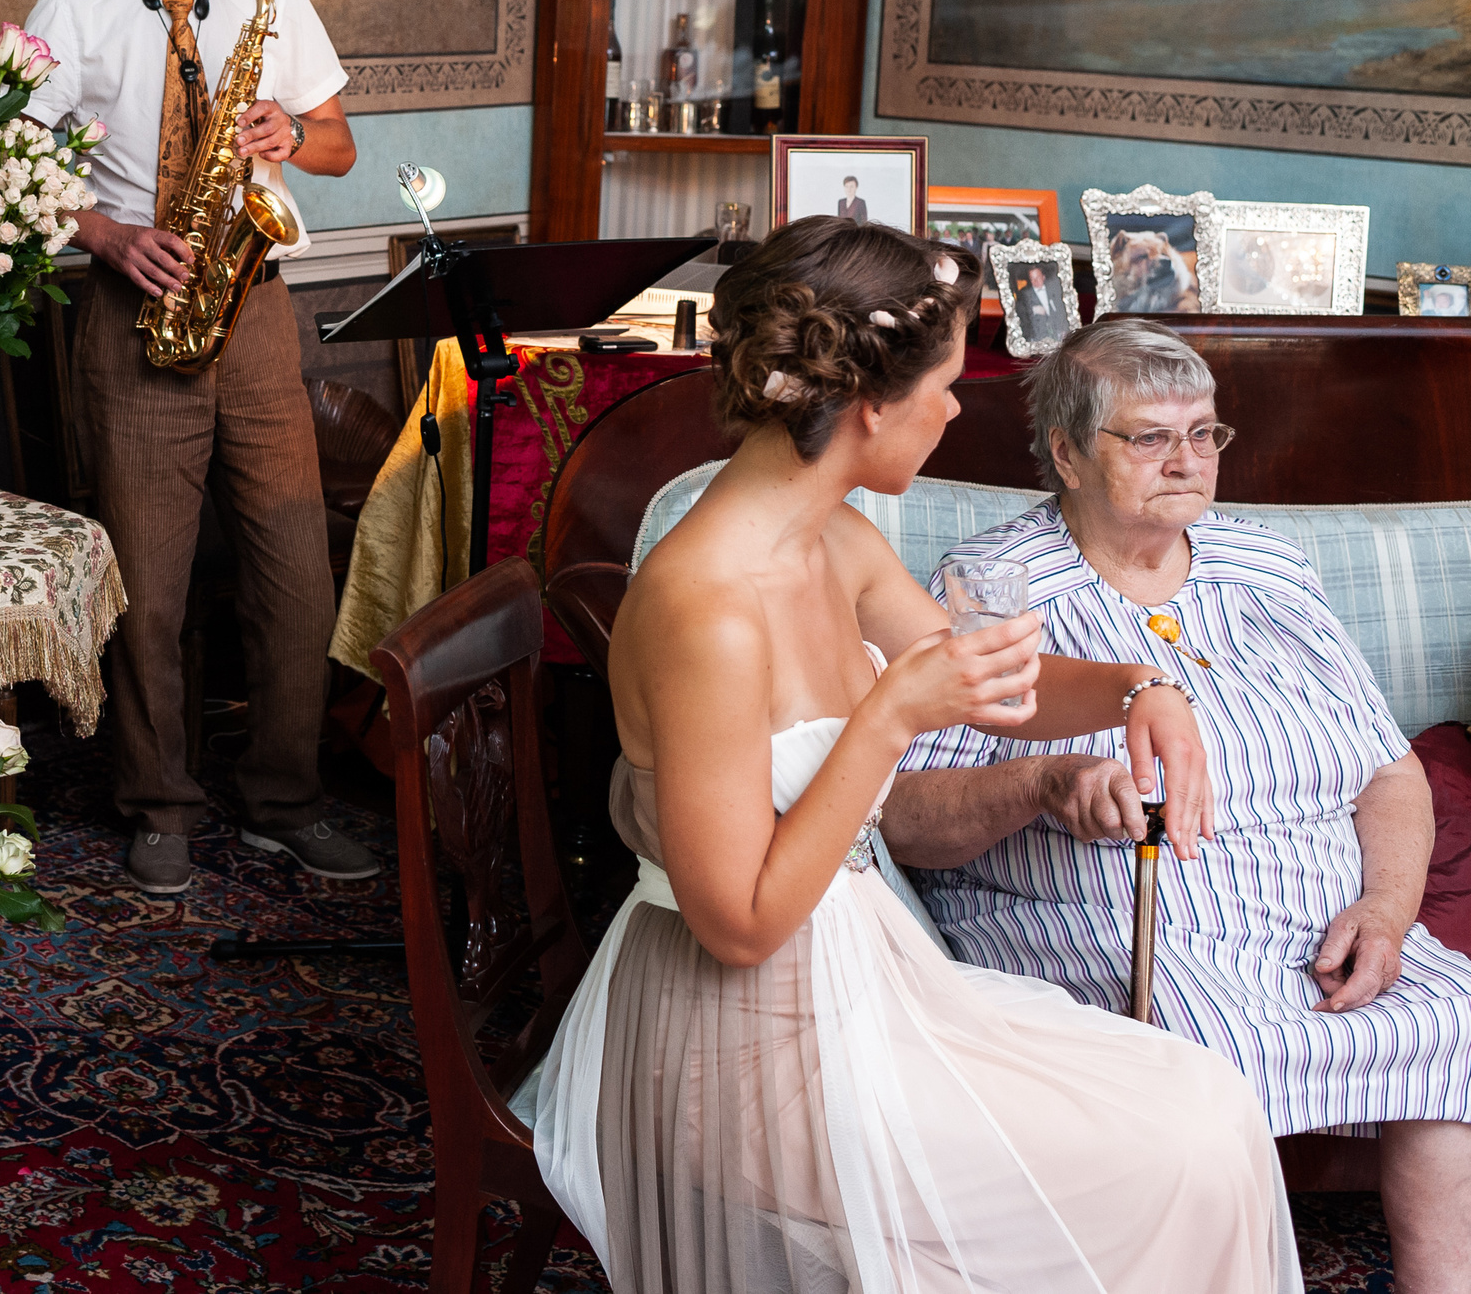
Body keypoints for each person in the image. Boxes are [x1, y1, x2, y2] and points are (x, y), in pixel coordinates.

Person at [523, 218, 1296, 1292]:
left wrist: (1137, 688)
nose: (951, 407)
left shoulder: (836, 536)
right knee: (1167, 1153)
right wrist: (888, 718)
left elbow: (985, 686)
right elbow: (737, 926)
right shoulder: (703, 610)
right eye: (941, 385)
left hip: (862, 977)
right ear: (869, 405)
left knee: (1204, 1106)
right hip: (734, 1043)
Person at [885, 315, 1471, 1294]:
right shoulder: (991, 589)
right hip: (1109, 921)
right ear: (1066, 453)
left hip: (1319, 923)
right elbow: (903, 816)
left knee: (1457, 1022)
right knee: (1208, 1058)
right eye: (1149, 437)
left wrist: (1386, 911)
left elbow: (1386, 772)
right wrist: (1043, 784)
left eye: (1203, 433)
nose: (1186, 460)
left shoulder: (1266, 566)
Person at [20, 0, 375, 896]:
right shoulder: (71, 10)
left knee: (293, 576)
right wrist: (111, 239)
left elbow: (339, 147)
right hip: (132, 308)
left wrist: (290, 130)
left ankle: (285, 797)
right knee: (153, 588)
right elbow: (13, 171)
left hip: (256, 307)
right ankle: (160, 802)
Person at [1013, 263, 1068, 343]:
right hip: (1037, 336)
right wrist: (1033, 310)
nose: (1035, 281)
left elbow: (1061, 310)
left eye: (1038, 277)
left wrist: (1064, 329)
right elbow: (1020, 312)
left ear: (1043, 277)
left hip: (1057, 333)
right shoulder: (1024, 293)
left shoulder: (1053, 290)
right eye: (1032, 279)